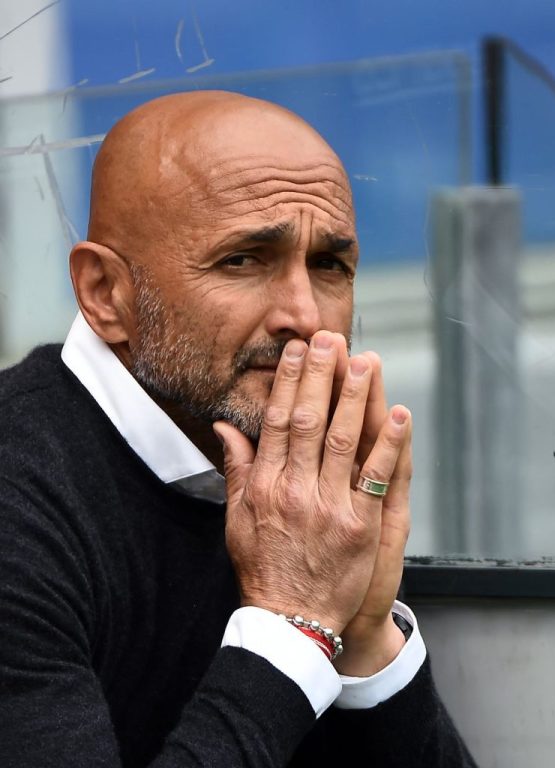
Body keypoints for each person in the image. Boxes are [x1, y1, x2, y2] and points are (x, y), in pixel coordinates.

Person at [0, 91, 476, 767]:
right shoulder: (23, 497)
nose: (304, 316)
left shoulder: (304, 486)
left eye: (329, 265)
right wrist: (292, 628)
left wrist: (368, 639)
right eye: (243, 261)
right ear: (106, 293)